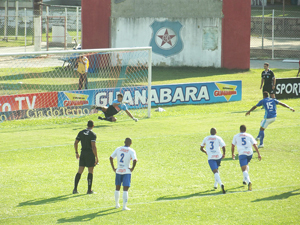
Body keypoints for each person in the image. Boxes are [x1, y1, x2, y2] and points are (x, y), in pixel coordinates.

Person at [110, 138, 137, 210]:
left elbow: (111, 157)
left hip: (118, 170)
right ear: (131, 143)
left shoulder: (118, 149)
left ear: (124, 142)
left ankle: (116, 204)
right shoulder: (131, 150)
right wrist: (132, 168)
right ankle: (124, 206)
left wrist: (113, 168)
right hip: (126, 171)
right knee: (125, 189)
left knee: (117, 188)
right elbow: (135, 160)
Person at [231, 125, 261, 191]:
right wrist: (258, 154)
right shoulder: (249, 135)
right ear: (245, 130)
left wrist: (232, 154)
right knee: (246, 164)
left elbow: (233, 145)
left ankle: (249, 182)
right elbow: (254, 145)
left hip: (242, 153)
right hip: (250, 153)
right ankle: (244, 180)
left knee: (244, 169)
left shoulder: (236, 136)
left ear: (240, 130)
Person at [73, 120, 98, 194]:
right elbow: (93, 146)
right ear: (93, 126)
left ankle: (75, 189)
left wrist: (77, 152)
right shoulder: (93, 134)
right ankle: (89, 190)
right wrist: (96, 157)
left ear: (87, 125)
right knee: (90, 171)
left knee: (80, 171)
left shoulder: (81, 132)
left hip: (83, 153)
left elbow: (76, 143)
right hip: (90, 154)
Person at [200, 128, 226, 194]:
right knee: (216, 170)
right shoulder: (218, 138)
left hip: (211, 157)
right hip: (218, 156)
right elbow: (223, 146)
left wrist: (205, 151)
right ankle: (215, 184)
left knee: (215, 172)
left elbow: (201, 148)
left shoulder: (206, 138)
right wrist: (224, 154)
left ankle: (221, 184)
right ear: (216, 132)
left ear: (210, 132)